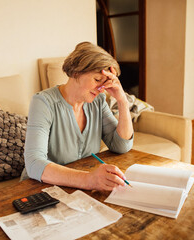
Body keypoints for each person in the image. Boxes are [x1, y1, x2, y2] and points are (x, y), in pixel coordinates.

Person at [20, 42, 133, 191]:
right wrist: (90, 180)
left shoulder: (97, 102)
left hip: (77, 190)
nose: (101, 89)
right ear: (76, 72)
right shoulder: (43, 102)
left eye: (104, 83)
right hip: (40, 189)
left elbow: (121, 145)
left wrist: (122, 101)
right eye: (98, 80)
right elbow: (34, 164)